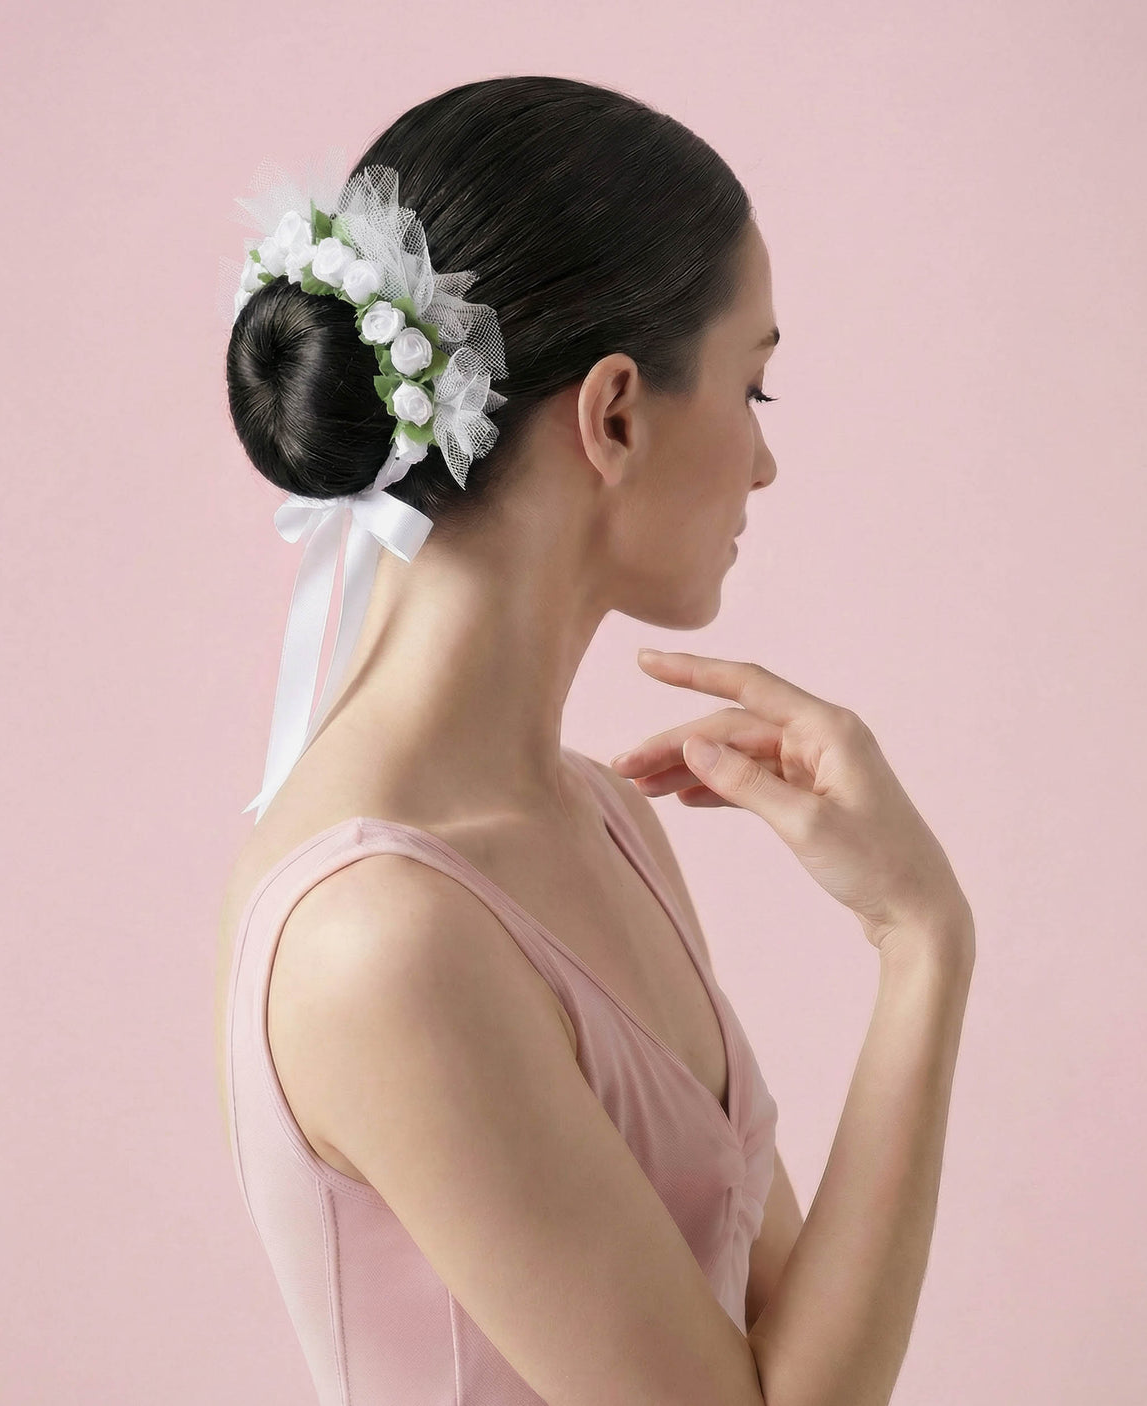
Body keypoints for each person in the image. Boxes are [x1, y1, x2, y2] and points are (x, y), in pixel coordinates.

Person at [215, 75, 975, 1406]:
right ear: (615, 412)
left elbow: (790, 1354)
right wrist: (921, 944)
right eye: (757, 389)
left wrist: (925, 937)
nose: (763, 464)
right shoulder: (380, 934)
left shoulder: (598, 815)